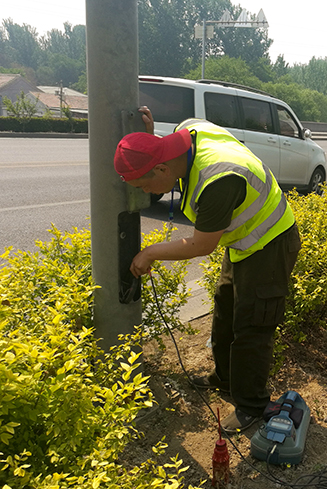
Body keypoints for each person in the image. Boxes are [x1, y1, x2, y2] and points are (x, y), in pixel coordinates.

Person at [114, 107, 301, 432]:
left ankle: (251, 405)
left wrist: (150, 254)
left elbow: (201, 245)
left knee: (252, 323)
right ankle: (225, 379)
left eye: (145, 186)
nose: (146, 193)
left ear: (160, 168)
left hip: (271, 241)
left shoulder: (218, 180)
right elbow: (165, 157)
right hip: (245, 240)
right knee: (226, 307)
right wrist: (153, 139)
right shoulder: (188, 131)